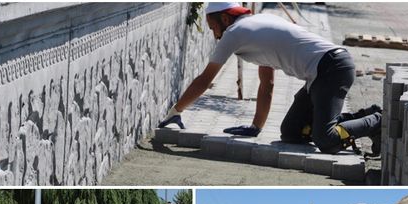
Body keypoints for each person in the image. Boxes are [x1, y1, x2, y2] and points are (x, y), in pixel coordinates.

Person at [159, 2, 382, 155]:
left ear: (225, 18)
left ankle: (376, 121)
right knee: (291, 132)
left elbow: (204, 80)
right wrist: (256, 127)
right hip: (322, 73)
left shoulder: (234, 33)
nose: (214, 34)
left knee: (326, 140)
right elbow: (267, 84)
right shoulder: (258, 24)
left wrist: (176, 111)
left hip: (332, 69)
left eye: (213, 27)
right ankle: (364, 115)